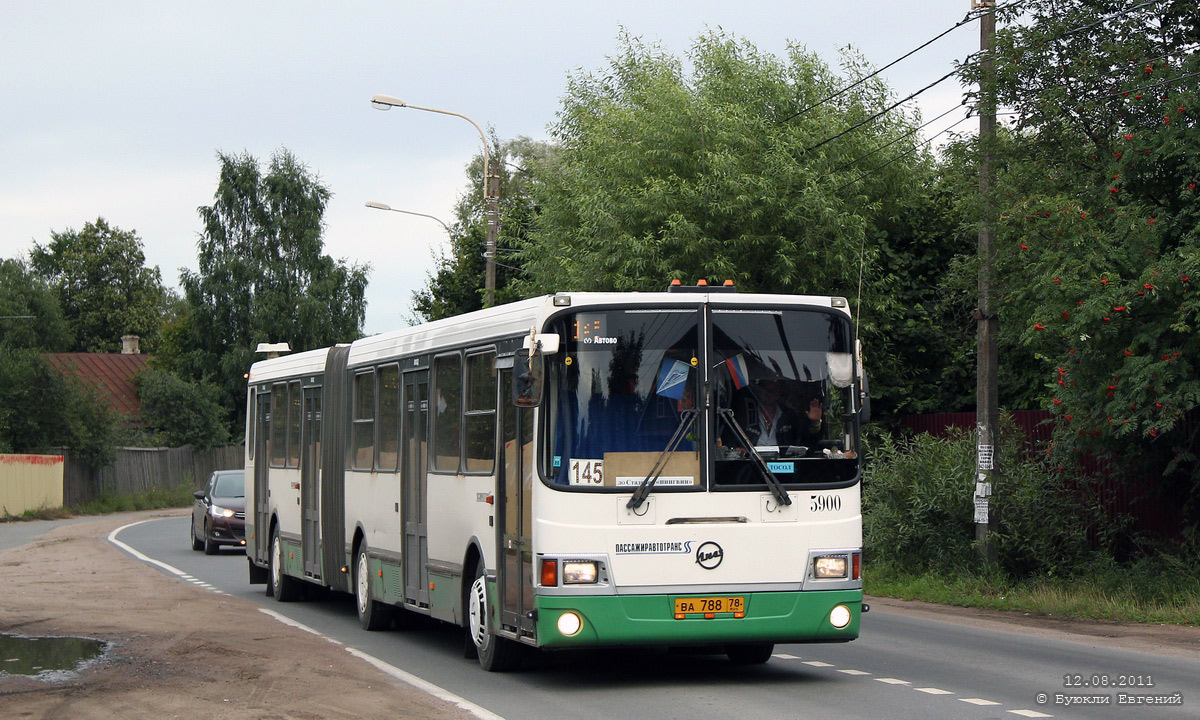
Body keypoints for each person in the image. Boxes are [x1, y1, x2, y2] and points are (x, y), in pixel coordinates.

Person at [734, 377, 823, 450]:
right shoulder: (745, 415)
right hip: (752, 467)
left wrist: (815, 422)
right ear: (759, 390)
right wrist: (739, 450)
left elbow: (807, 443)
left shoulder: (789, 417)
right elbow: (731, 442)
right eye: (767, 388)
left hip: (785, 468)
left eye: (775, 388)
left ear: (779, 391)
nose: (771, 392)